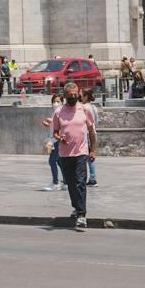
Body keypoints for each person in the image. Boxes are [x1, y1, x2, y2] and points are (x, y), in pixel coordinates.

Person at [49, 81, 96, 230]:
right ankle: (76, 207)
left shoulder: (85, 110)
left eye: (75, 95)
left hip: (81, 152)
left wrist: (93, 150)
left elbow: (92, 131)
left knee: (80, 182)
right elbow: (55, 132)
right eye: (70, 96)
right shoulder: (58, 112)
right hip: (65, 154)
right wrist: (59, 138)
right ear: (65, 96)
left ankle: (82, 215)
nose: (73, 98)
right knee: (70, 184)